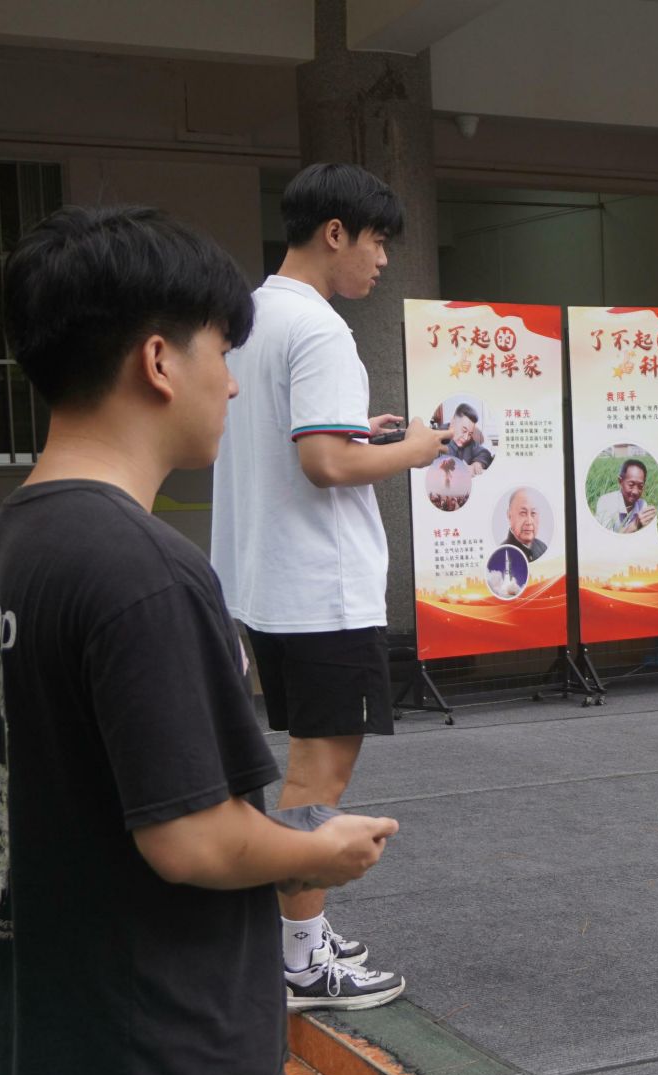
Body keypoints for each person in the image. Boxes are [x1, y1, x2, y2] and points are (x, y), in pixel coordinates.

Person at [0, 204, 399, 1075]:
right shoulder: (143, 570)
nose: (234, 383)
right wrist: (322, 850)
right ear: (158, 360)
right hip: (164, 1069)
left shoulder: (3, 551)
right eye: (221, 353)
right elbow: (194, 837)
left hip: (48, 1048)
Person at [211, 163, 443, 1009]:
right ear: (334, 232)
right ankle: (303, 962)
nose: (381, 259)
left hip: (266, 583)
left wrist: (358, 433)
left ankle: (290, 939)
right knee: (318, 780)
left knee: (302, 769)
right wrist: (416, 449)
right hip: (323, 591)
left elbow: (304, 442)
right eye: (376, 240)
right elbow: (325, 463)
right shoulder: (320, 329)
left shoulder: (249, 315)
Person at [595, 457, 656, 532]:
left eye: (640, 486)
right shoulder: (605, 502)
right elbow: (606, 536)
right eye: (631, 485)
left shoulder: (642, 505)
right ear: (620, 481)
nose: (635, 491)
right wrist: (635, 525)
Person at [502, 487, 549, 561]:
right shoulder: (501, 553)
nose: (529, 522)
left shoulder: (543, 548)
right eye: (523, 513)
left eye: (533, 513)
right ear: (509, 515)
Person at [445, 401, 493, 470]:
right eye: (464, 431)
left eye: (470, 434)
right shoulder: (436, 438)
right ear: (453, 422)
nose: (466, 438)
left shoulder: (469, 443)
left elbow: (485, 453)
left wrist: (477, 464)